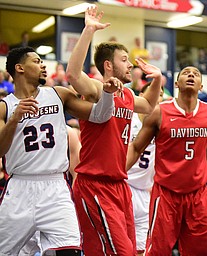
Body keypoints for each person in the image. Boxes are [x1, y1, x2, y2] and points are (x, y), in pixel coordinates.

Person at [0, 46, 118, 255]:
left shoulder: (58, 94)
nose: (43, 65)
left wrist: (107, 95)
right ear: (19, 68)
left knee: (69, 251)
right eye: (36, 61)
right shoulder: (5, 107)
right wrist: (15, 119)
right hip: (19, 188)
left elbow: (100, 116)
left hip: (55, 187)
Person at [66, 5, 162, 255]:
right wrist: (88, 31)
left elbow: (150, 105)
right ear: (108, 65)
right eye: (124, 60)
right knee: (122, 251)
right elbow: (73, 74)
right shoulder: (97, 90)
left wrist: (159, 78)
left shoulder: (129, 95)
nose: (130, 65)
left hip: (120, 185)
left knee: (124, 249)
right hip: (94, 184)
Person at [126, 66, 207, 255]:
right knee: (157, 251)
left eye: (196, 74)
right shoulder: (160, 112)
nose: (191, 75)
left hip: (198, 194)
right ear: (176, 84)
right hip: (166, 194)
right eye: (185, 73)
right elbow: (136, 147)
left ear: (201, 86)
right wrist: (117, 174)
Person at [126, 82, 163, 256]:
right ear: (142, 96)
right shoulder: (128, 119)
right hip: (124, 186)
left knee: (141, 250)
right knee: (121, 247)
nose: (159, 97)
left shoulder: (162, 124)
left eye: (162, 94)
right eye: (155, 92)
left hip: (145, 192)